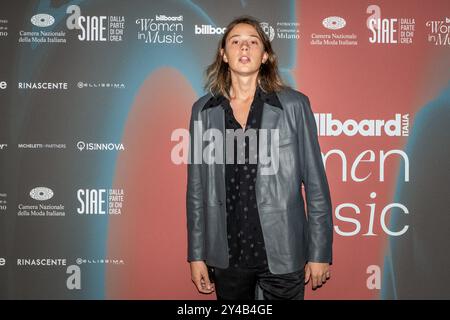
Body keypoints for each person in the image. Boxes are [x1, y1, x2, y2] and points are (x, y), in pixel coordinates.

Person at [186, 15, 333, 300]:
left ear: (265, 56)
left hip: (282, 251)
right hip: (227, 255)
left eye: (253, 42)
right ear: (223, 55)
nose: (244, 48)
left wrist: (320, 251)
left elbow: (316, 183)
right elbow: (196, 190)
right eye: (236, 42)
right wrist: (196, 255)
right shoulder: (203, 111)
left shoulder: (293, 105)